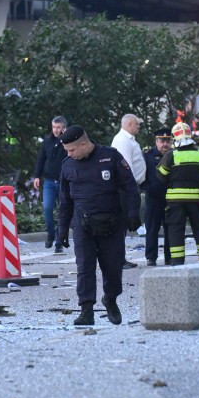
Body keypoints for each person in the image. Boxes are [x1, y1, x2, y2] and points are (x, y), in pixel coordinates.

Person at [56, 125, 141, 326]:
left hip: (112, 222)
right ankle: (86, 310)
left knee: (112, 267)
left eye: (72, 150)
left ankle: (110, 299)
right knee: (84, 267)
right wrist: (62, 229)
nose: (69, 154)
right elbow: (65, 201)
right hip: (82, 225)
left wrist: (133, 213)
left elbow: (130, 186)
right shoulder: (67, 165)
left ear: (84, 144)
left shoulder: (110, 157)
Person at [156, 122, 199, 266]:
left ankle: (177, 261)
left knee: (176, 229)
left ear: (174, 138)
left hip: (176, 200)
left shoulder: (171, 155)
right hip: (197, 200)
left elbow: (161, 175)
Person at [111, 113, 145, 269]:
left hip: (129, 186)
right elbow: (126, 167)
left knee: (124, 224)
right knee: (122, 224)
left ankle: (119, 258)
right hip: (125, 188)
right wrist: (131, 189)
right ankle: (118, 259)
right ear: (130, 124)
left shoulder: (128, 140)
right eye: (137, 124)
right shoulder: (122, 141)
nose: (138, 126)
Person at [32, 116, 67, 253]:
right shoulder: (47, 141)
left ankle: (59, 241)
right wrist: (36, 176)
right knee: (47, 207)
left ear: (63, 127)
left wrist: (64, 138)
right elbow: (41, 159)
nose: (55, 130)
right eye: (53, 127)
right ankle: (51, 234)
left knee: (62, 212)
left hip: (64, 182)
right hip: (49, 181)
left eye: (58, 127)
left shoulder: (68, 141)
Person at [142, 127, 173, 266]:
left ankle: (170, 257)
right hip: (153, 198)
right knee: (152, 228)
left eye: (167, 140)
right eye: (162, 140)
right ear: (156, 141)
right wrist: (148, 189)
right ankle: (151, 257)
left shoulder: (174, 155)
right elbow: (141, 176)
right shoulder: (147, 155)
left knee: (171, 229)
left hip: (171, 198)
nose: (165, 144)